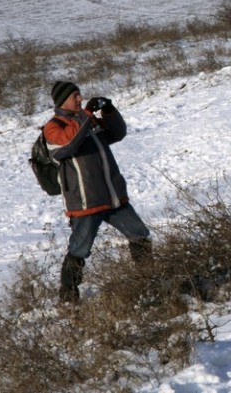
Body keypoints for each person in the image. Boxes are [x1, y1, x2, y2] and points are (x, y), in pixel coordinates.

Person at [44, 81, 152, 304]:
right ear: (61, 100)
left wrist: (109, 111)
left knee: (139, 234)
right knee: (79, 249)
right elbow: (68, 144)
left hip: (112, 197)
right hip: (85, 202)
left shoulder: (87, 121)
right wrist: (86, 115)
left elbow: (117, 133)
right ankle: (68, 297)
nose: (79, 98)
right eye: (74, 95)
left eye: (79, 94)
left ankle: (148, 279)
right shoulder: (53, 128)